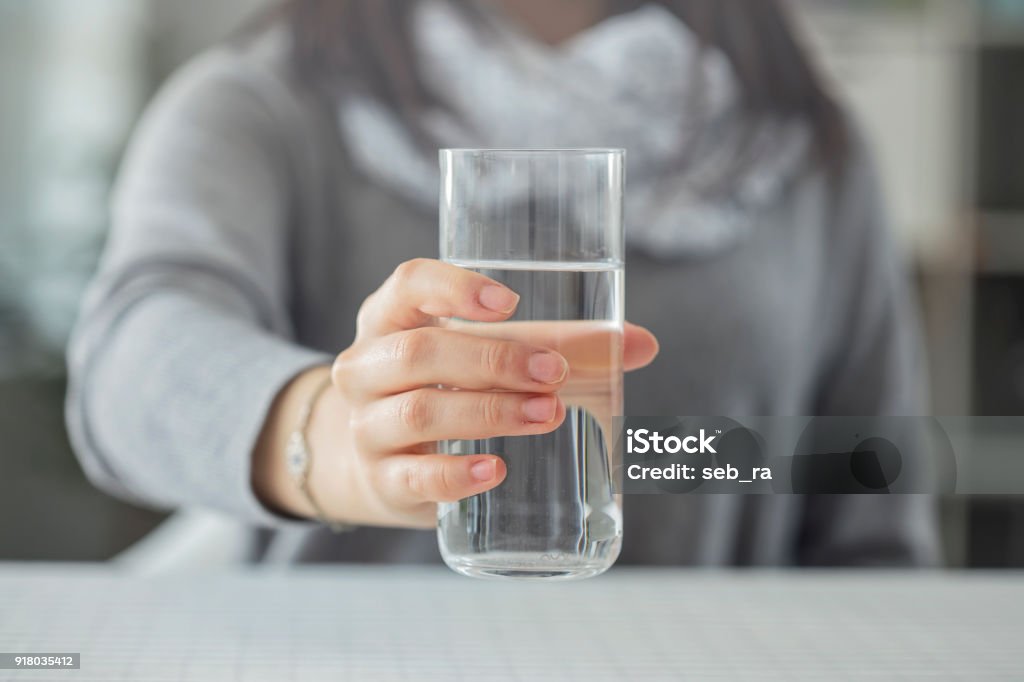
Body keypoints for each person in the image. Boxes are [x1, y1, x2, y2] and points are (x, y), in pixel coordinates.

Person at [66, 0, 939, 566]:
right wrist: (327, 435)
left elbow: (868, 502)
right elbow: (133, 359)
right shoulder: (267, 101)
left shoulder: (806, 147)